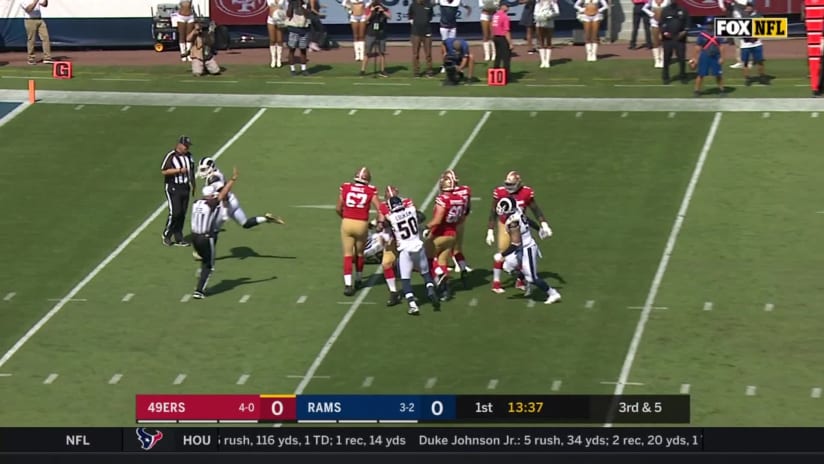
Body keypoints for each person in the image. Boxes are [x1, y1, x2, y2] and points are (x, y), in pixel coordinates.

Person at [191, 157, 285, 260]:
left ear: (211, 168)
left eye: (204, 169)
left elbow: (224, 193)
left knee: (214, 229)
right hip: (233, 201)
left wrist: (225, 211)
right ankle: (265, 218)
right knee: (245, 223)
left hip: (225, 205)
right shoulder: (217, 174)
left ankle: (206, 254)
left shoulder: (213, 178)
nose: (202, 171)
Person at [486, 171, 552, 294]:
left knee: (521, 254)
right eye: (507, 184)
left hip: (521, 224)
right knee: (503, 252)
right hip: (505, 224)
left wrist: (543, 224)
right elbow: (493, 211)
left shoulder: (526, 192)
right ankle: (496, 282)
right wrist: (490, 230)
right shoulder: (500, 192)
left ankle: (521, 279)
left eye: (512, 184)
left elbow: (535, 209)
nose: (508, 187)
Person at [493, 197, 562, 305]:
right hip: (521, 248)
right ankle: (524, 275)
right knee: (507, 266)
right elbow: (527, 220)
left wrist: (502, 254)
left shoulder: (513, 222)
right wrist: (539, 229)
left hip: (527, 249)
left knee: (532, 278)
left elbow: (516, 244)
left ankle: (553, 293)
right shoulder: (517, 211)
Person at [384, 193, 441, 315]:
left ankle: (413, 304)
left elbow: (384, 221)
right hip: (418, 246)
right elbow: (421, 216)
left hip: (406, 250)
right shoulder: (412, 210)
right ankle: (430, 289)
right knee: (425, 274)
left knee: (405, 280)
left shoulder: (392, 218)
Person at [190, 167, 238, 299]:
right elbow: (223, 194)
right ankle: (199, 290)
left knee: (204, 260)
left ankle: (200, 280)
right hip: (205, 237)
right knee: (209, 265)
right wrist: (233, 179)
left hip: (194, 236)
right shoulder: (210, 203)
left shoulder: (196, 203)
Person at [337, 167, 384, 296]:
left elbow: (338, 207)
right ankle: (358, 279)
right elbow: (381, 209)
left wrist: (345, 217)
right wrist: (379, 222)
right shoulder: (370, 190)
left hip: (347, 222)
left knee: (347, 255)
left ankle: (348, 285)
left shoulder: (346, 187)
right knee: (360, 254)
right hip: (361, 224)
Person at [424, 175, 467, 301]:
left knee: (427, 259)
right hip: (452, 234)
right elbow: (461, 218)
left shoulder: (442, 199)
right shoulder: (460, 199)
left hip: (440, 234)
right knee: (442, 261)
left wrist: (425, 226)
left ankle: (438, 275)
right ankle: (446, 291)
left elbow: (437, 220)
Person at [161, 136, 196, 247]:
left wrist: (193, 185)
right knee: (175, 212)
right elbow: (164, 171)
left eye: (188, 146)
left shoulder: (189, 156)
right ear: (179, 145)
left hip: (185, 187)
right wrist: (179, 170)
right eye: (185, 146)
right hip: (173, 187)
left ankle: (179, 237)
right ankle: (167, 235)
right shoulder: (171, 156)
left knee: (182, 213)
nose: (187, 148)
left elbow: (191, 170)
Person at [442, 170, 473, 284]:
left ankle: (442, 276)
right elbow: (468, 206)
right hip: (460, 222)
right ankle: (463, 267)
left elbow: (443, 211)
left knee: (441, 250)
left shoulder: (447, 196)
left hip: (449, 224)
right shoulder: (466, 190)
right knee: (456, 248)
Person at [658, 0, 690, 84]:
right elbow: (661, 23)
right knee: (667, 58)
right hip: (668, 39)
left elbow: (688, 23)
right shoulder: (665, 10)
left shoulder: (683, 10)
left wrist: (684, 32)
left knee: (681, 58)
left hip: (680, 39)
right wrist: (665, 32)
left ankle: (683, 76)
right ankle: (665, 77)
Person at [690, 19, 724, 97]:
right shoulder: (702, 35)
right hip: (705, 55)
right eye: (709, 24)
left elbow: (721, 46)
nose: (710, 25)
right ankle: (697, 90)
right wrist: (694, 58)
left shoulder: (717, 34)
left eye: (711, 24)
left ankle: (721, 90)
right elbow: (697, 47)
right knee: (701, 74)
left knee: (718, 74)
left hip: (715, 55)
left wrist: (722, 57)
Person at [285, 0, 317, 76]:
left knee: (303, 50)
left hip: (304, 29)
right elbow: (289, 14)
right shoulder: (291, 2)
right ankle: (292, 70)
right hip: (293, 28)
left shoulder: (306, 2)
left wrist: (301, 6)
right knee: (292, 49)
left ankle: (304, 69)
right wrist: (292, 5)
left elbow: (308, 15)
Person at [740, 1, 767, 86]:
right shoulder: (741, 16)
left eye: (750, 6)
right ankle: (747, 78)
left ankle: (762, 77)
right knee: (745, 62)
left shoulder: (759, 16)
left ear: (753, 7)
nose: (748, 7)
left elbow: (764, 28)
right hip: (745, 43)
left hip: (756, 43)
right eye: (747, 6)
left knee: (760, 61)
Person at [361, 0, 390, 77]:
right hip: (370, 34)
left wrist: (383, 11)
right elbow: (365, 20)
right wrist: (371, 12)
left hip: (381, 34)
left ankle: (382, 70)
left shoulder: (385, 8)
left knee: (382, 53)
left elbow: (389, 17)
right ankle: (363, 70)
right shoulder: (368, 8)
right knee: (367, 53)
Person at [19, 0, 52, 65]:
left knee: (46, 37)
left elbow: (44, 4)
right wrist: (35, 1)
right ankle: (31, 59)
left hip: (39, 19)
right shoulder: (23, 1)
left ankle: (47, 58)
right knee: (31, 39)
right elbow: (28, 9)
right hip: (30, 20)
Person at [409, 0, 435, 77]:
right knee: (415, 54)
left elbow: (430, 17)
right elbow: (410, 16)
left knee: (428, 54)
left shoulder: (429, 4)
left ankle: (429, 71)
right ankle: (416, 72)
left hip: (427, 32)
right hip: (416, 33)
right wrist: (415, 25)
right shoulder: (413, 5)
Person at [718, 0, 747, 69]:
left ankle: (744, 61)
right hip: (736, 23)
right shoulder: (733, 7)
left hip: (743, 23)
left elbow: (744, 3)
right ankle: (740, 61)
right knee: (738, 45)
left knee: (745, 44)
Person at [642, 0, 669, 69]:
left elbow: (671, 10)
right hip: (654, 24)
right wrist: (652, 14)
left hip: (664, 24)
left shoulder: (667, 1)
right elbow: (644, 8)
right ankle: (657, 60)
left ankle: (663, 60)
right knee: (655, 42)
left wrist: (666, 16)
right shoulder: (651, 1)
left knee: (664, 41)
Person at [533, 0, 560, 68]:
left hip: (549, 23)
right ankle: (543, 61)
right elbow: (535, 13)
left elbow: (557, 12)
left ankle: (547, 61)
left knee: (548, 41)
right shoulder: (538, 3)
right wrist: (540, 17)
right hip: (539, 23)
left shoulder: (553, 2)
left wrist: (550, 15)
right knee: (541, 41)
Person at [491, 3, 513, 82]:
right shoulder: (505, 17)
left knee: (498, 56)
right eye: (507, 6)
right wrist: (510, 43)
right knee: (506, 58)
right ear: (502, 7)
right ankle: (506, 77)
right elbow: (506, 31)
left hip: (495, 37)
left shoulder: (495, 15)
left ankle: (495, 74)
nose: (508, 7)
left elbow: (492, 26)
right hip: (502, 37)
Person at [267, 0, 287, 68]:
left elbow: (285, 7)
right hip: (271, 20)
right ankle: (273, 59)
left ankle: (279, 59)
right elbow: (270, 6)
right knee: (272, 40)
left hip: (280, 20)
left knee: (279, 40)